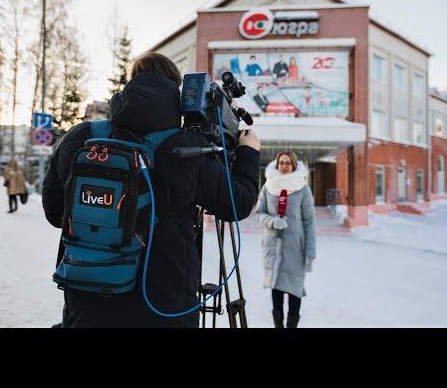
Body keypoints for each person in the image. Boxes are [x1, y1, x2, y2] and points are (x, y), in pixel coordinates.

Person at [42, 52, 261, 328]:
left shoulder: (82, 137)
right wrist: (249, 153)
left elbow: (54, 213)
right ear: (176, 93)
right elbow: (237, 203)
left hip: (88, 298)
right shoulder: (189, 148)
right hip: (165, 304)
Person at [256, 151, 315, 328]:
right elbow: (259, 213)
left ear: (294, 165)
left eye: (288, 163)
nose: (284, 166)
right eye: (281, 162)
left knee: (295, 290)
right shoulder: (268, 186)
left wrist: (311, 252)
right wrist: (273, 221)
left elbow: (309, 221)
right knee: (276, 289)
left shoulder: (302, 188)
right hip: (273, 246)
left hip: (296, 247)